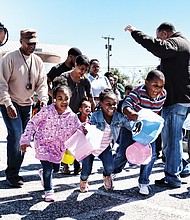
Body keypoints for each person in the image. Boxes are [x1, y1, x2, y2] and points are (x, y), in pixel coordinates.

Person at [125, 22, 190, 188]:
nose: (159, 40)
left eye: (159, 36)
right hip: (182, 99)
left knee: (173, 140)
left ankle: (172, 177)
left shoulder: (176, 43)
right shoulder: (184, 46)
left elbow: (158, 47)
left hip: (176, 101)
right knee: (175, 139)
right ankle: (179, 169)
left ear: (165, 34)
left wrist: (135, 32)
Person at [20, 81, 85, 202]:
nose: (64, 101)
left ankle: (43, 173)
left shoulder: (72, 116)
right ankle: (48, 190)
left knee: (55, 169)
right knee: (48, 169)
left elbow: (79, 128)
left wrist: (85, 129)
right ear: (54, 98)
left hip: (58, 147)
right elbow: (33, 123)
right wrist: (26, 139)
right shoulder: (47, 111)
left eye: (66, 98)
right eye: (60, 98)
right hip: (43, 144)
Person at [0, 28, 48, 188]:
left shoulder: (38, 61)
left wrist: (43, 99)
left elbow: (42, 83)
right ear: (21, 41)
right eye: (28, 43)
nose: (31, 46)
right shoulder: (9, 58)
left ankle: (15, 170)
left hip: (26, 105)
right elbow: (1, 84)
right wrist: (7, 103)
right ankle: (12, 173)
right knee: (16, 134)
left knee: (24, 138)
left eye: (34, 44)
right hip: (10, 103)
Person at [113, 70, 166, 195]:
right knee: (123, 152)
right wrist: (131, 113)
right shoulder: (138, 92)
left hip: (148, 128)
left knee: (151, 154)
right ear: (146, 82)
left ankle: (143, 181)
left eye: (161, 86)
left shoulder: (163, 94)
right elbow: (126, 104)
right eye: (155, 85)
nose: (157, 89)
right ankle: (113, 171)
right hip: (131, 126)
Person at [79, 88, 131, 193]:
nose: (112, 107)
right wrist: (86, 128)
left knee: (110, 167)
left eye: (114, 104)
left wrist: (137, 125)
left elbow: (128, 124)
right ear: (101, 103)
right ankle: (83, 180)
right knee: (86, 170)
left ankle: (107, 176)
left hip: (105, 146)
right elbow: (89, 124)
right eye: (108, 104)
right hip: (91, 146)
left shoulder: (118, 117)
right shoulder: (95, 115)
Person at [53, 55, 95, 175]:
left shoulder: (85, 81)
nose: (83, 72)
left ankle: (77, 165)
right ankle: (65, 164)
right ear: (75, 64)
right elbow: (56, 94)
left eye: (85, 70)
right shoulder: (64, 78)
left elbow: (90, 97)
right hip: (65, 115)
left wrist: (91, 109)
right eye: (81, 68)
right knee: (65, 141)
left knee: (78, 140)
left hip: (78, 115)